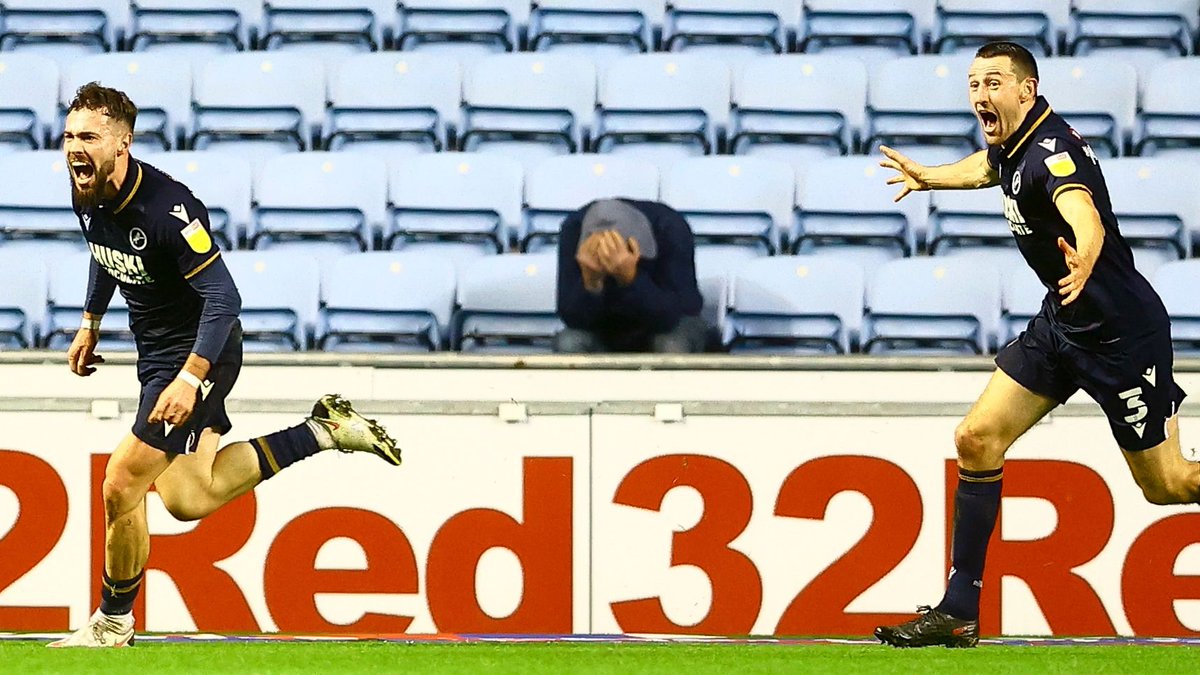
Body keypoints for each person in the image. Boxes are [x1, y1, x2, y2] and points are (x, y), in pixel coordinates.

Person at [48, 83, 403, 648]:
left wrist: (191, 379)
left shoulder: (170, 209)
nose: (73, 147)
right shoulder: (85, 190)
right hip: (158, 357)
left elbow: (224, 299)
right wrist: (90, 320)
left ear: (123, 143)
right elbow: (104, 252)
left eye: (88, 136)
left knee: (121, 484)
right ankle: (323, 430)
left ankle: (113, 621)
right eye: (68, 135)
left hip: (202, 351)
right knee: (189, 498)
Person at [874, 42, 1200, 648]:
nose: (980, 94)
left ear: (1027, 90)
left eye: (993, 82)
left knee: (1169, 485)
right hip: (1061, 324)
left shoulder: (1053, 154)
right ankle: (957, 609)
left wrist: (1085, 257)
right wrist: (928, 179)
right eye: (974, 83)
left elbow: (1084, 212)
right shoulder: (1016, 143)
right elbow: (988, 167)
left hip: (1121, 335)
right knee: (977, 438)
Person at [555, 198, 707, 353]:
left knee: (671, 343)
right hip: (604, 328)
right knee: (569, 342)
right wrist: (591, 283)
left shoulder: (670, 227)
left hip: (668, 324)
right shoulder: (574, 229)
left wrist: (631, 279)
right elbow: (572, 318)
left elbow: (674, 316)